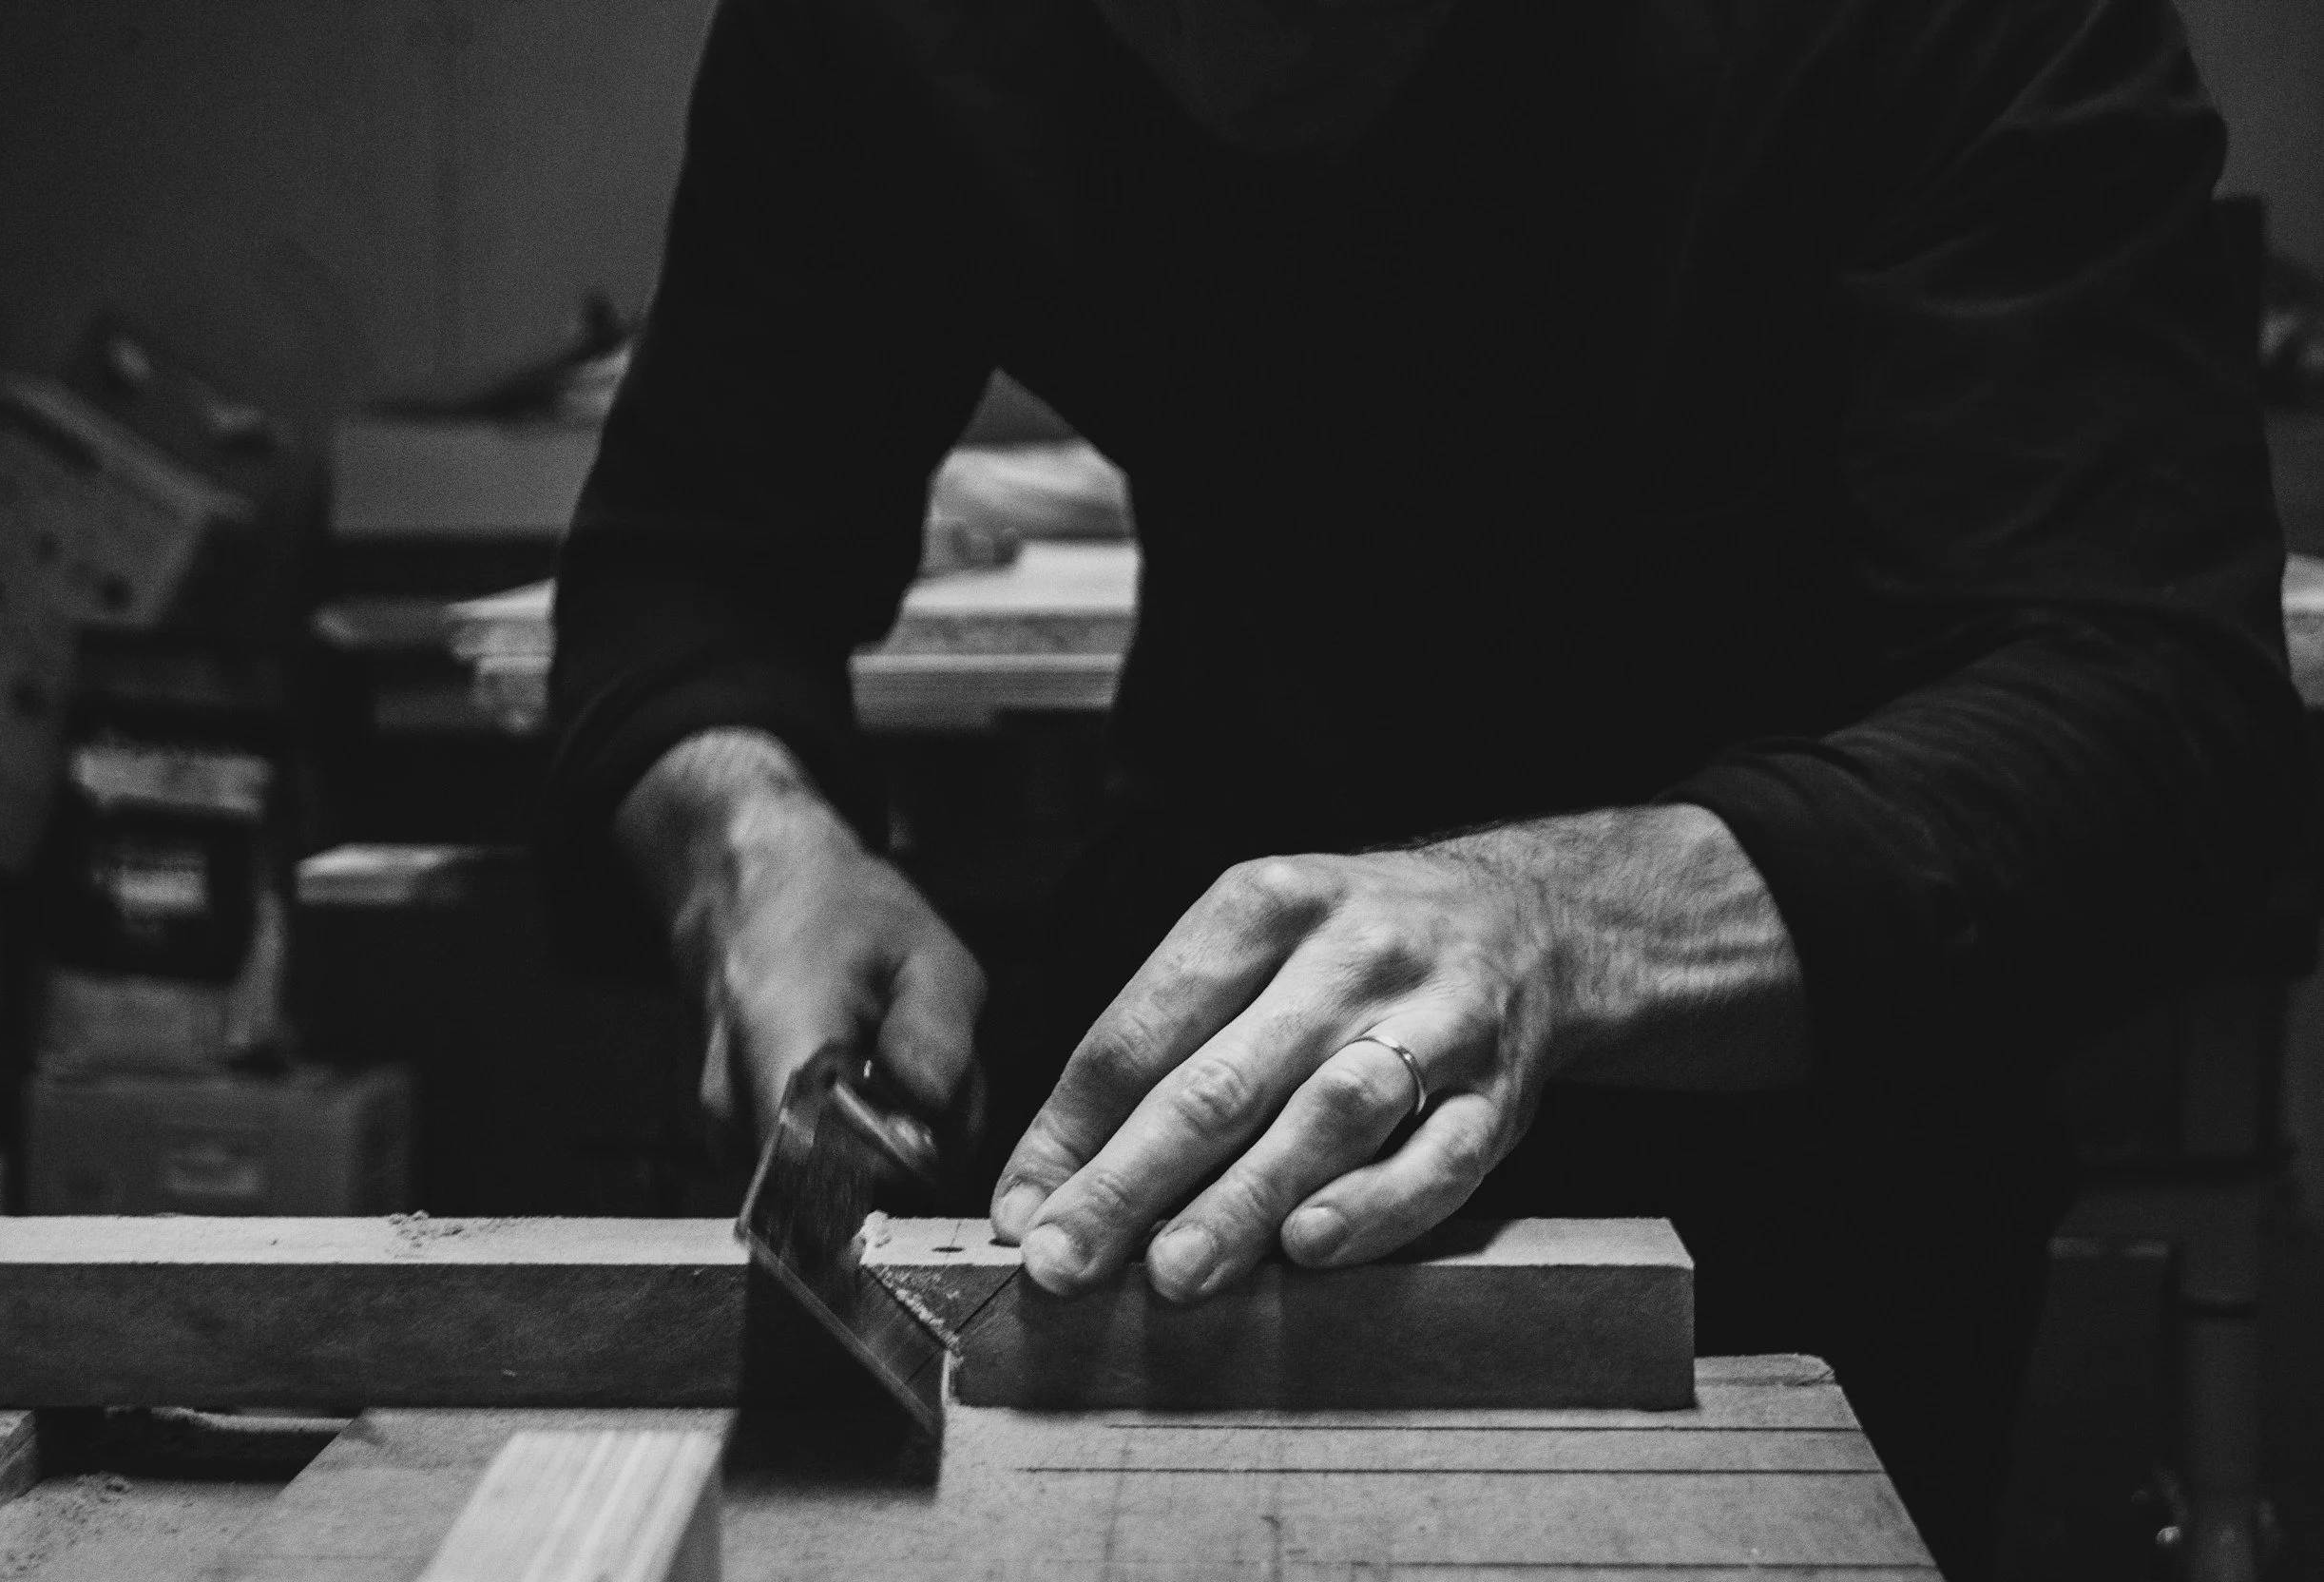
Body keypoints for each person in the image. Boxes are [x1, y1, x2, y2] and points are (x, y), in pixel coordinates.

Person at [536, 0, 2319, 1573]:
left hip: (1809, 1119)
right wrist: (756, 844)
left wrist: (1561, 926)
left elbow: (2155, 698)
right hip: (1209, 1110)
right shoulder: (890, 33)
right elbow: (695, 566)